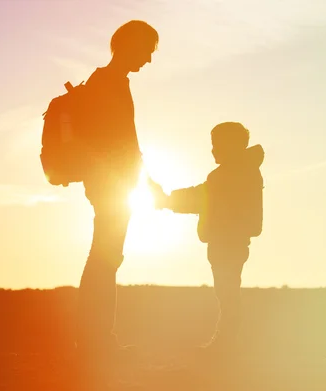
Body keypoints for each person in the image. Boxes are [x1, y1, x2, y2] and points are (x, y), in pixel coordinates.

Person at [75, 20, 158, 371]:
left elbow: (126, 141)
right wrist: (135, 179)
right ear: (128, 45)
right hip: (110, 185)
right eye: (147, 51)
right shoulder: (107, 83)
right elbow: (118, 141)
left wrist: (143, 180)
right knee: (104, 260)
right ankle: (94, 341)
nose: (149, 60)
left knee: (105, 258)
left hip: (114, 184)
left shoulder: (110, 82)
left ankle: (94, 338)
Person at [149, 122, 264, 354]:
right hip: (229, 240)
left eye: (217, 145)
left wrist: (165, 200)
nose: (213, 150)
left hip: (227, 241)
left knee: (227, 292)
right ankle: (226, 341)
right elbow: (202, 196)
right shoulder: (239, 170)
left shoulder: (231, 173)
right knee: (227, 291)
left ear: (231, 145)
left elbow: (199, 197)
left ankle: (226, 343)